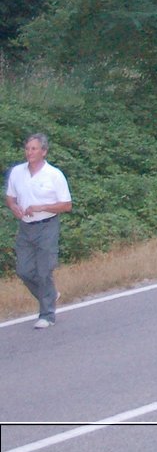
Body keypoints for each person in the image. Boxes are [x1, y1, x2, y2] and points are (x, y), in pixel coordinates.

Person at [7, 134, 72, 328]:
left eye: (34, 149)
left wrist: (42, 207)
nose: (29, 152)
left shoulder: (54, 175)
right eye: (27, 148)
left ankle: (47, 315)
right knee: (24, 270)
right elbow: (10, 197)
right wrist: (14, 207)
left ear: (44, 152)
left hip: (47, 225)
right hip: (26, 226)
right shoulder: (17, 172)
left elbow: (66, 205)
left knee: (44, 271)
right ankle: (50, 294)